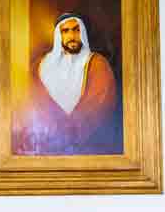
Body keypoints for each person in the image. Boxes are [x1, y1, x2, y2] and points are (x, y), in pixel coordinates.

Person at [13, 13, 121, 155]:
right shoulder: (41, 66)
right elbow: (31, 102)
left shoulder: (97, 64)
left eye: (76, 30)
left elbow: (101, 102)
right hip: (47, 147)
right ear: (59, 35)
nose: (72, 35)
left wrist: (69, 131)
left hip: (89, 148)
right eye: (65, 31)